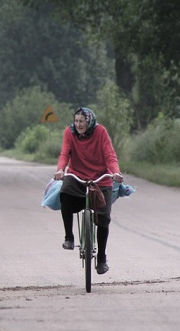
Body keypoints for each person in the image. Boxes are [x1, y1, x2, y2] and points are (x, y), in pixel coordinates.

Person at [53, 107, 123, 275]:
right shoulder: (69, 133)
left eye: (82, 121)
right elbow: (64, 154)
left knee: (103, 218)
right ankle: (69, 237)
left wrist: (115, 172)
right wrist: (61, 169)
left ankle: (101, 259)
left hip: (101, 177)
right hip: (77, 176)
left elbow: (110, 156)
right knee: (65, 193)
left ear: (89, 121)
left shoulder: (100, 132)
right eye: (76, 121)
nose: (78, 125)